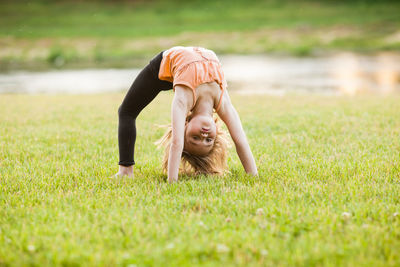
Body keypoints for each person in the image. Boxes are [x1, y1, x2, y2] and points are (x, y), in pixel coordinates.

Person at [116, 46, 257, 183]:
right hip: (193, 59)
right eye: (209, 141)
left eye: (195, 137)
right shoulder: (222, 103)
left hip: (163, 69)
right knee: (126, 112)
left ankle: (125, 171)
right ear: (216, 132)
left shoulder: (183, 101)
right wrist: (253, 177)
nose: (204, 135)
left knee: (126, 112)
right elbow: (240, 141)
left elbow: (176, 143)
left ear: (185, 126)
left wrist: (172, 182)